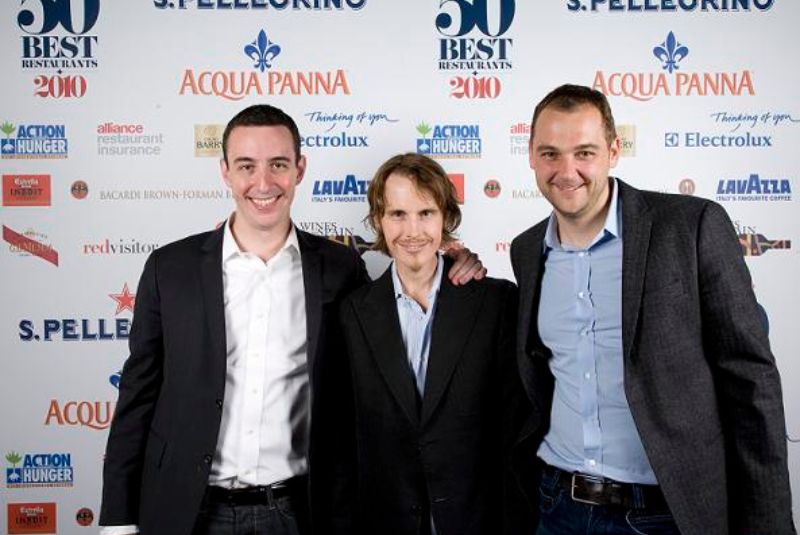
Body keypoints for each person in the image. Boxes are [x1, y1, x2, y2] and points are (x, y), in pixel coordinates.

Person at [99, 105, 484, 535]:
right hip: (187, 511)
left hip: (302, 513)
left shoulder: (341, 269)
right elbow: (137, 397)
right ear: (225, 172)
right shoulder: (169, 269)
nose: (263, 183)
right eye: (247, 166)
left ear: (299, 169)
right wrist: (118, 520)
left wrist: (455, 266)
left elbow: (393, 335)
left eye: (278, 165)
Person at [509, 84, 794, 535]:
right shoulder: (527, 251)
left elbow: (750, 379)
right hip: (557, 505)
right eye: (550, 154)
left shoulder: (691, 226)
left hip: (665, 513)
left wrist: (768, 524)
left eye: (584, 153)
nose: (566, 171)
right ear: (530, 156)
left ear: (613, 151)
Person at [333, 153, 522, 535]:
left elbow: (513, 430)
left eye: (426, 213)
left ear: (445, 218)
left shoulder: (495, 303)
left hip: (475, 520)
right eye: (397, 214)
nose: (412, 230)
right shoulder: (353, 313)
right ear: (379, 220)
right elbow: (344, 439)